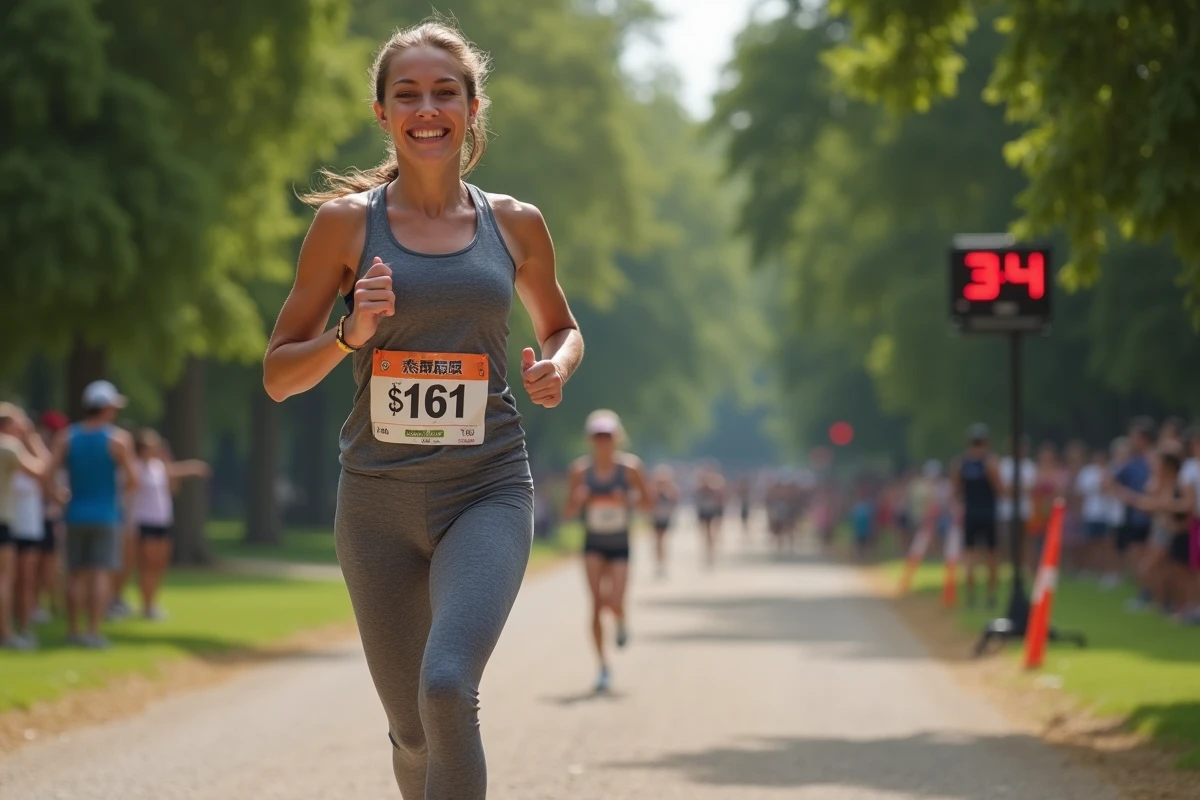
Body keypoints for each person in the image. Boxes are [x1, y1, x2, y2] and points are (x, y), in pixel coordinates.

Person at [261, 19, 582, 800]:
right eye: (407, 94)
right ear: (383, 112)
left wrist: (557, 368)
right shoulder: (345, 225)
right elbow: (277, 375)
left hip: (487, 490)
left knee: (446, 689)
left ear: (473, 108)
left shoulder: (515, 223)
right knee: (412, 730)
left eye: (446, 92)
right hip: (376, 502)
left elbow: (560, 327)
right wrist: (351, 332)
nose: (427, 108)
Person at [47, 381, 139, 649]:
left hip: (75, 513)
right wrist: (118, 499)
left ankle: (74, 630)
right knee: (100, 573)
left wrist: (58, 496)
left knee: (75, 573)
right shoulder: (118, 440)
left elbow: (47, 473)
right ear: (106, 407)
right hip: (106, 515)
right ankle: (94, 631)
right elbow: (133, 480)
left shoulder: (67, 437)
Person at [563, 411, 650, 692]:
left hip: (620, 543)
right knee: (597, 604)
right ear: (591, 439)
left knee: (614, 600)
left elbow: (648, 505)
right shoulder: (580, 471)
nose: (603, 442)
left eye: (608, 436)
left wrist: (628, 499)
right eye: (598, 436)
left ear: (617, 438)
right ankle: (602, 666)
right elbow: (567, 512)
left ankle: (622, 620)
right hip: (593, 543)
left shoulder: (630, 469)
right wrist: (578, 500)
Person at [131, 428, 210, 619]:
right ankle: (146, 605)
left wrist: (190, 467)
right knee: (148, 565)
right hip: (145, 522)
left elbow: (174, 484)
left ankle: (153, 603)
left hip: (162, 522)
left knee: (159, 565)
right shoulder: (136, 467)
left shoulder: (159, 467)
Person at [0, 403, 50, 650]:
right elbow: (45, 470)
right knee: (6, 580)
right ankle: (7, 634)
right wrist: (32, 439)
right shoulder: (10, 447)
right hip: (5, 522)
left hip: (15, 522)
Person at [953, 424, 1002, 609]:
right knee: (992, 556)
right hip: (988, 512)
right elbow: (1000, 488)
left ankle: (971, 595)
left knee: (970, 556)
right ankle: (990, 596)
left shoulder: (961, 463)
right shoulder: (990, 462)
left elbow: (956, 491)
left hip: (970, 512)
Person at [1110, 418, 1155, 607]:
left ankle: (1156, 595)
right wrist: (1128, 497)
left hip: (1156, 516)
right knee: (1137, 556)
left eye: (1135, 438)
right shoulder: (1132, 462)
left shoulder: (1154, 460)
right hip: (1136, 517)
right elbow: (1111, 481)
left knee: (1153, 558)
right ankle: (1144, 593)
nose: (1132, 442)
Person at [694, 462, 727, 567]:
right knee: (705, 530)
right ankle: (708, 548)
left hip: (713, 509)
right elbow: (696, 494)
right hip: (703, 509)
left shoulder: (717, 481)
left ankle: (712, 549)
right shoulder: (700, 481)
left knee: (713, 530)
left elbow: (721, 495)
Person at [649, 465, 680, 578]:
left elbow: (674, 503)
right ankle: (658, 562)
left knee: (663, 540)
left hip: (666, 517)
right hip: (656, 517)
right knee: (657, 541)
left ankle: (663, 563)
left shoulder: (671, 489)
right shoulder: (652, 489)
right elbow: (649, 503)